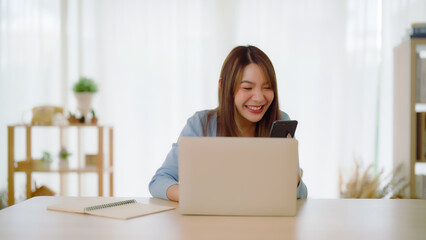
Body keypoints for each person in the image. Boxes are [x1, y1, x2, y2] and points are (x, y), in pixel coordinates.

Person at [149, 45, 308, 201]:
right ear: (224, 85)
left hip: (262, 221)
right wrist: (195, 196)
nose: (259, 97)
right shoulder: (200, 124)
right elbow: (159, 181)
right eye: (247, 88)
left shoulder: (280, 121)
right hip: (211, 222)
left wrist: (291, 175)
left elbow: (301, 194)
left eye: (268, 87)